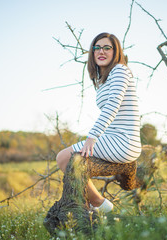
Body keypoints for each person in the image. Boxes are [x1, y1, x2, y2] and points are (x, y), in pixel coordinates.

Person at [56, 32, 141, 213]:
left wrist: (92, 137)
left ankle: (100, 205)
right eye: (97, 48)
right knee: (71, 161)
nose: (101, 51)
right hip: (115, 138)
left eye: (107, 47)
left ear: (115, 51)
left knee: (64, 158)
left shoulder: (120, 70)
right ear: (92, 53)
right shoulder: (103, 79)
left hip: (123, 141)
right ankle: (90, 208)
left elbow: (112, 106)